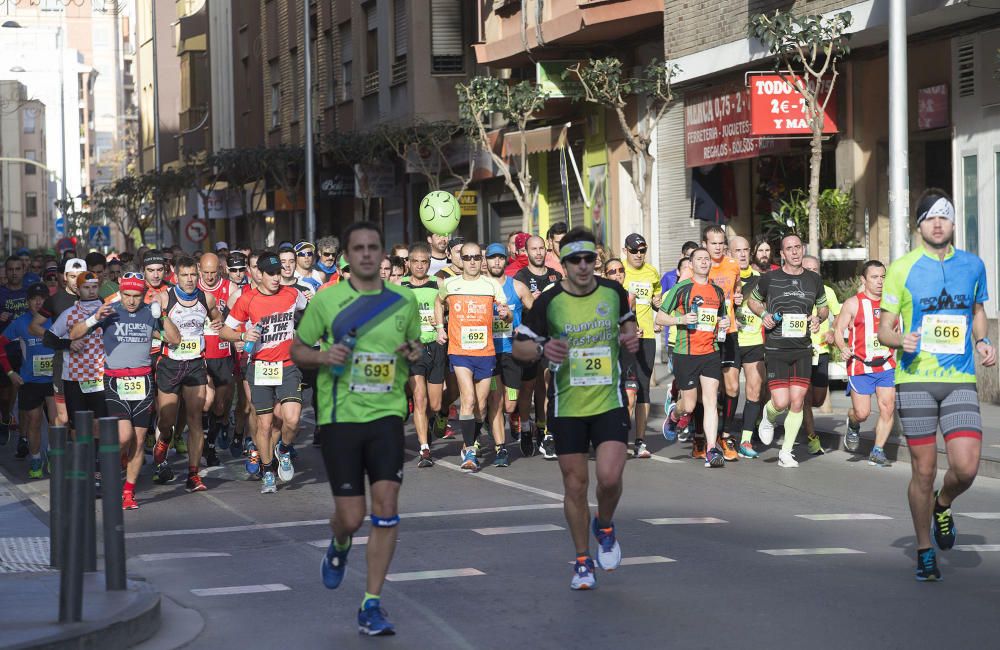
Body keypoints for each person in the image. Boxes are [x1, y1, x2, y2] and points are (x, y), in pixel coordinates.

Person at [291, 221, 422, 637]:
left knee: (386, 508)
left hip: (386, 416)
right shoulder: (328, 302)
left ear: (383, 254)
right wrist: (322, 355)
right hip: (340, 417)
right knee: (351, 516)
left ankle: (371, 604)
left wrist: (413, 351)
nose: (367, 254)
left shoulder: (403, 300)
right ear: (347, 257)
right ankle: (341, 542)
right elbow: (297, 348)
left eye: (373, 247)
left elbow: (416, 347)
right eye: (358, 248)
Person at [877, 190, 996, 581]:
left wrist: (982, 340)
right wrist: (900, 340)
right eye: (930, 218)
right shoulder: (902, 268)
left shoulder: (973, 265)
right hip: (915, 380)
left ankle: (943, 505)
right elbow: (884, 329)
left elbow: (978, 311)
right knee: (923, 470)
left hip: (959, 378)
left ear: (953, 223)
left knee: (965, 467)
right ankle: (925, 550)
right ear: (919, 225)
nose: (938, 223)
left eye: (944, 216)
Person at [513, 227, 639, 590]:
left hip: (608, 402)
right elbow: (521, 346)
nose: (583, 266)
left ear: (595, 259)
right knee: (575, 485)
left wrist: (629, 336)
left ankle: (606, 524)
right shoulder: (549, 300)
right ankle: (583, 561)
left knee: (611, 478)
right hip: (567, 406)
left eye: (589, 259)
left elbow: (628, 328)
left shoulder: (613, 292)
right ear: (563, 263)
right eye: (574, 260)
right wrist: (541, 350)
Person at [221, 252, 309, 494]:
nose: (276, 277)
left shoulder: (292, 293)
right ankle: (268, 470)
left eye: (278, 272)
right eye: (271, 273)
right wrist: (242, 335)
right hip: (260, 367)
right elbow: (224, 331)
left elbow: (308, 310)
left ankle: (283, 449)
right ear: (258, 274)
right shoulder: (247, 300)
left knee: (292, 419)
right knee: (265, 424)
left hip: (288, 365)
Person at [88, 273, 178, 509]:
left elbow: (175, 339)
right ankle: (108, 468)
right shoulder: (110, 311)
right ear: (121, 292)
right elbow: (77, 333)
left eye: (136, 296)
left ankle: (128, 491)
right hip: (115, 381)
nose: (131, 300)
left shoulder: (150, 313)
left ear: (142, 294)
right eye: (127, 295)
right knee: (124, 436)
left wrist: (164, 315)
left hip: (143, 381)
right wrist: (91, 320)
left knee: (138, 441)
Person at [747, 234, 829, 468]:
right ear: (782, 254)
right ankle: (768, 415)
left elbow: (822, 308)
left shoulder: (814, 279)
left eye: (798, 247)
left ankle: (786, 452)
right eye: (789, 249)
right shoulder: (770, 278)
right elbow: (753, 302)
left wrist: (817, 318)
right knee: (781, 402)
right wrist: (764, 315)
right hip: (776, 348)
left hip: (803, 348)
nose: (794, 252)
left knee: (797, 401)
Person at [150, 256, 224, 493]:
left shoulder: (207, 298)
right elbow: (147, 326)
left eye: (194, 275)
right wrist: (162, 336)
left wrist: (218, 325)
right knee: (167, 420)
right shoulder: (163, 298)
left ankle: (193, 474)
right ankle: (163, 439)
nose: (190, 280)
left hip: (194, 364)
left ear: (199, 274)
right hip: (170, 364)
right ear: (176, 276)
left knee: (195, 419)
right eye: (185, 275)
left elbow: (217, 317)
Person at [435, 242, 510, 471]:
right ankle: (469, 452)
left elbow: (506, 315)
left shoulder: (492, 285)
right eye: (467, 258)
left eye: (476, 257)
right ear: (461, 260)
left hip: (485, 352)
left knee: (482, 407)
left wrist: (506, 315)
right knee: (467, 400)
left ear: (482, 259)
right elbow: (439, 302)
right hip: (459, 351)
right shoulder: (450, 284)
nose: (472, 261)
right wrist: (440, 327)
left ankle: (474, 436)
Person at [656, 248, 729, 466]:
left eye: (707, 259)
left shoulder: (717, 292)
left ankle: (711, 450)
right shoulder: (681, 288)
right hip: (685, 353)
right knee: (688, 406)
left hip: (710, 352)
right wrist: (681, 320)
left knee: (710, 401)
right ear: (691, 264)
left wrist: (723, 324)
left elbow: (721, 319)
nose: (704, 262)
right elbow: (660, 317)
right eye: (700, 259)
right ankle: (674, 416)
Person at [832, 260, 896, 467]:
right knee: (863, 413)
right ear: (863, 279)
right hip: (860, 365)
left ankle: (877, 450)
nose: (879, 282)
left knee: (887, 408)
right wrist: (842, 347)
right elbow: (838, 330)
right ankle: (853, 422)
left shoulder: (893, 303)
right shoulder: (853, 303)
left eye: (882, 277)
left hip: (886, 365)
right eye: (874, 277)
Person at [514, 235, 563, 458]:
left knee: (548, 383)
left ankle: (545, 431)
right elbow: (516, 308)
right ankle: (525, 428)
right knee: (528, 387)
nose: (539, 252)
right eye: (534, 249)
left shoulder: (557, 275)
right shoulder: (521, 277)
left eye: (542, 248)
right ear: (526, 252)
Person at [484, 243, 532, 467]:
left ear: (506, 260)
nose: (496, 262)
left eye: (500, 258)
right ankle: (500, 448)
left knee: (510, 405)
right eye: (492, 258)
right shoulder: (481, 288)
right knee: (495, 399)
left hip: (511, 352)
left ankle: (508, 419)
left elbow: (537, 310)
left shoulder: (518, 287)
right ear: (486, 261)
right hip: (488, 352)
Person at [0, 282, 55, 477]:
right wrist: (10, 373)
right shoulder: (20, 323)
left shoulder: (56, 320)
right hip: (30, 381)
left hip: (53, 380)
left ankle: (52, 455)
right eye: (34, 299)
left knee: (57, 421)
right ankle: (35, 459)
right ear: (27, 302)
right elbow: (1, 345)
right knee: (33, 421)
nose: (38, 302)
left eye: (42, 299)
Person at [402, 243, 446, 467]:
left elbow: (449, 310)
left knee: (435, 404)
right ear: (408, 262)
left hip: (436, 347)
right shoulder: (398, 285)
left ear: (429, 263)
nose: (420, 266)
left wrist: (441, 323)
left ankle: (433, 419)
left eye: (424, 262)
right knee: (419, 398)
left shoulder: (437, 284)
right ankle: (424, 449)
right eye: (415, 261)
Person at [31, 257, 88, 427]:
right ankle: (57, 452)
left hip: (90, 365)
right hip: (63, 364)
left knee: (85, 416)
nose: (77, 281)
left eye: (81, 276)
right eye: (72, 276)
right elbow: (34, 327)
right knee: (62, 418)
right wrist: (62, 342)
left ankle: (87, 453)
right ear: (64, 277)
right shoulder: (55, 300)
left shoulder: (96, 299)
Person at [703, 226, 742, 460]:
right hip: (705, 334)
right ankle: (702, 435)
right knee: (706, 391)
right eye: (713, 243)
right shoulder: (699, 265)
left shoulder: (733, 264)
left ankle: (725, 436)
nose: (717, 247)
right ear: (705, 244)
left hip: (729, 332)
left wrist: (737, 298)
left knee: (733, 387)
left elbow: (736, 291)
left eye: (721, 243)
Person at [621, 233, 661, 458]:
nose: (639, 254)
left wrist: (657, 303)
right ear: (625, 250)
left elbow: (657, 297)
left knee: (643, 389)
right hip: (626, 338)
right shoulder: (620, 273)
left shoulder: (652, 272)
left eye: (642, 250)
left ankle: (640, 442)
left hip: (646, 338)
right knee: (627, 392)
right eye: (634, 250)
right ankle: (618, 438)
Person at [801, 255, 842, 455]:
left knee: (818, 398)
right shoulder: (795, 292)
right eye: (807, 268)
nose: (811, 272)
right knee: (806, 398)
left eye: (815, 269)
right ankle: (812, 438)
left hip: (822, 350)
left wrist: (833, 331)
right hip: (800, 350)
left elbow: (840, 315)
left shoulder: (828, 292)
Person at [731, 236, 763, 458]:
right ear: (729, 253)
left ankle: (745, 440)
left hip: (754, 342)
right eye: (737, 250)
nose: (742, 254)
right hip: (730, 341)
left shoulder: (761, 279)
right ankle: (723, 434)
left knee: (754, 389)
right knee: (731, 390)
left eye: (745, 250)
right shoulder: (722, 277)